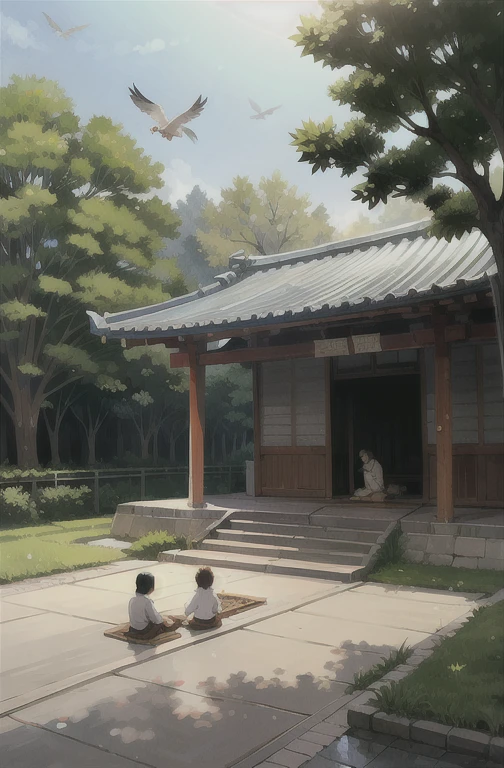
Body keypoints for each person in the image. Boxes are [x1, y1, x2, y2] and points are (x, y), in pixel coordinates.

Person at [127, 572, 181, 640]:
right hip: (144, 630)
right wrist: (163, 620)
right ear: (151, 589)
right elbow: (156, 619)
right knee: (160, 624)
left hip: (133, 629)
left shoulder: (132, 600)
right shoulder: (147, 602)